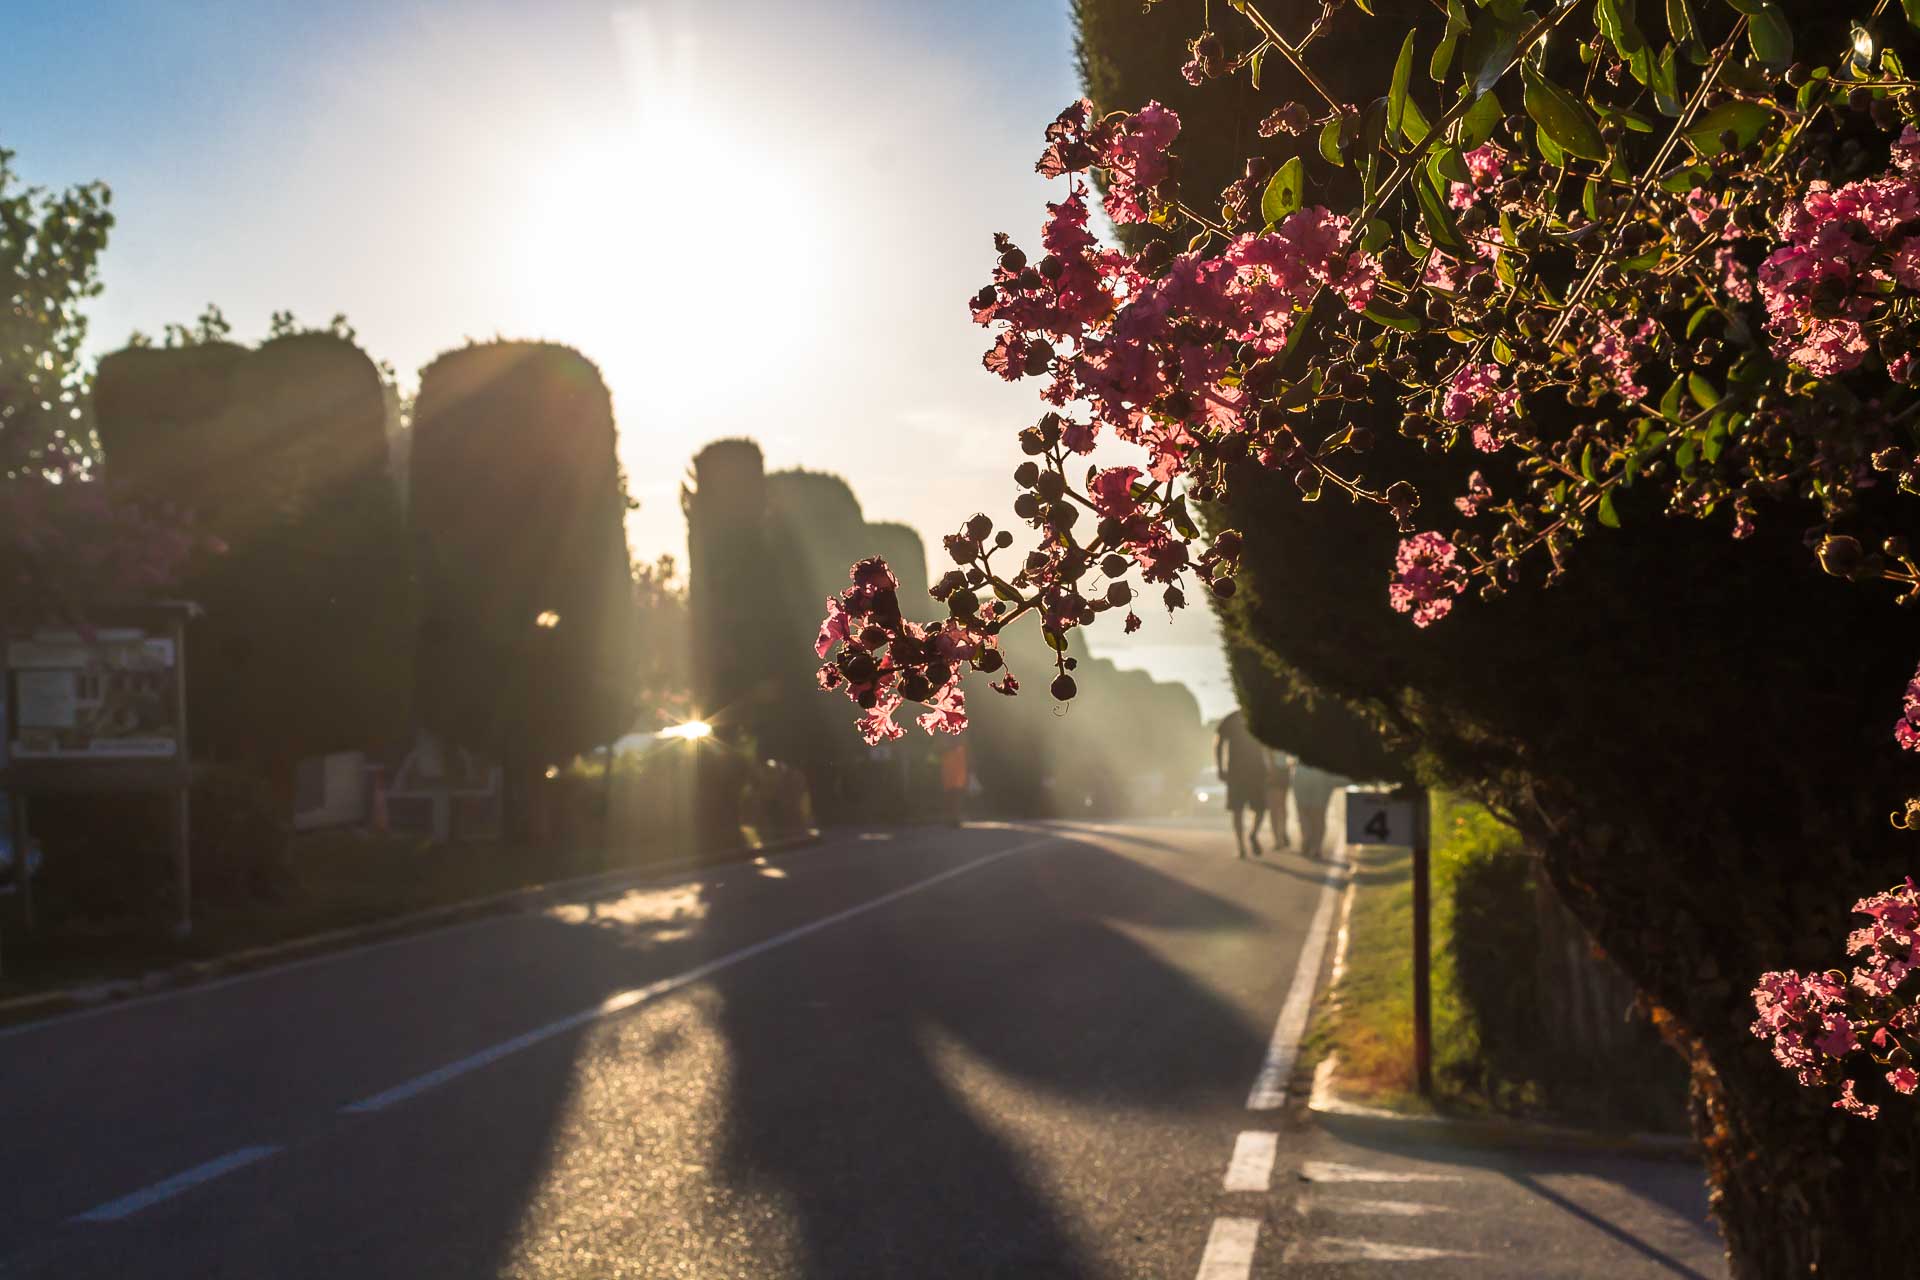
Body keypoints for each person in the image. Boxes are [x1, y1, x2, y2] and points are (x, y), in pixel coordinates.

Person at [1214, 709, 1273, 859]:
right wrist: (1220, 768)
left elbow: (1268, 744)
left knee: (1261, 809)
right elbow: (1219, 744)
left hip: (1256, 771)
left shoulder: (1259, 718)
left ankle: (1253, 834)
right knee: (1237, 810)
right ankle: (1241, 846)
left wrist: (1270, 767)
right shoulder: (1230, 719)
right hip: (1236, 773)